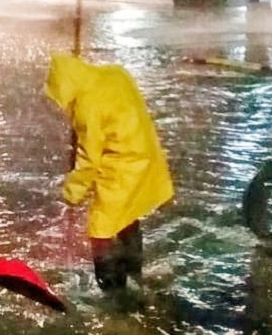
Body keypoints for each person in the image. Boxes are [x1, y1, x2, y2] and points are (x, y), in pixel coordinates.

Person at [44, 52, 175, 292]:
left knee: (100, 230)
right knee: (127, 216)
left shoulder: (87, 106)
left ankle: (112, 290)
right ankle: (135, 273)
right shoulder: (115, 73)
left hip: (120, 169)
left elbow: (89, 159)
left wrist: (72, 192)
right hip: (146, 156)